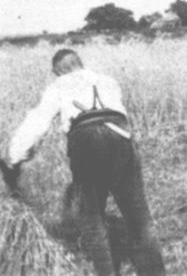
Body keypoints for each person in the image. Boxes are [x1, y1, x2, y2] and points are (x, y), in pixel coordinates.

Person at [4, 49, 165, 276]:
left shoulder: (59, 86)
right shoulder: (108, 80)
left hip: (87, 143)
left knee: (92, 219)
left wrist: (15, 158)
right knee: (139, 217)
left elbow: (37, 123)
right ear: (79, 63)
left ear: (57, 71)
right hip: (122, 138)